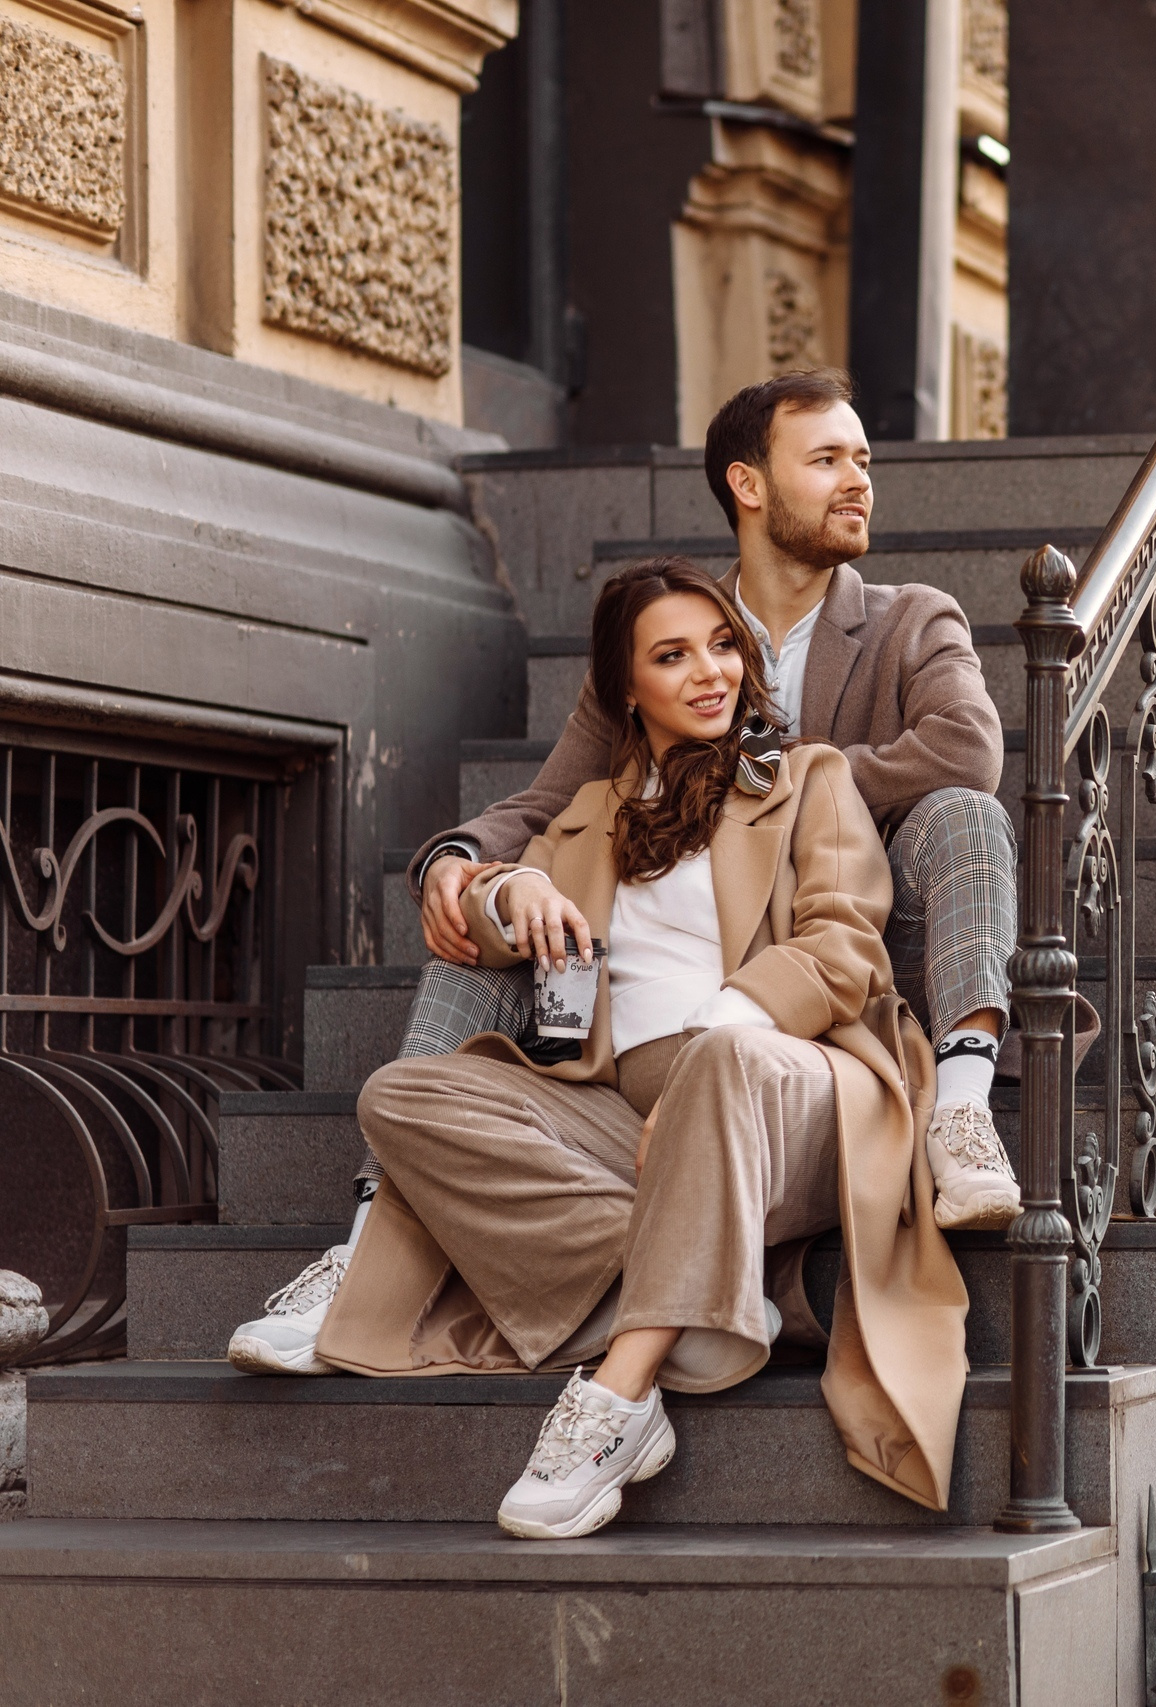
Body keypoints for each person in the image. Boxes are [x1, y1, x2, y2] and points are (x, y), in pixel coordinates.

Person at [231, 369, 1037, 1376]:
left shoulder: (911, 619)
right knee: (498, 901)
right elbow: (551, 805)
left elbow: (964, 750)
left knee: (965, 814)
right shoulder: (670, 631)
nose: (857, 481)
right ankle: (376, 1240)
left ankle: (960, 1109)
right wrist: (465, 866)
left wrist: (776, 781)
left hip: (845, 965)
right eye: (827, 460)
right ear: (749, 485)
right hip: (667, 995)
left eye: (863, 460)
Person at [280, 559, 966, 1538]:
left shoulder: (804, 779)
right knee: (403, 1098)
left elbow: (846, 950)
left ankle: (619, 1398)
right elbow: (478, 932)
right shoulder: (592, 816)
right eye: (673, 656)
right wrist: (507, 888)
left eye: (724, 647)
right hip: (624, 1113)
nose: (711, 674)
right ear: (623, 688)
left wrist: (718, 1039)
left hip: (796, 1093)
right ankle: (699, 1281)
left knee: (723, 1063)